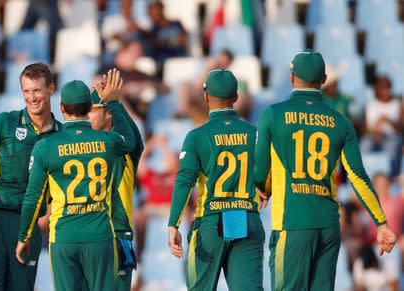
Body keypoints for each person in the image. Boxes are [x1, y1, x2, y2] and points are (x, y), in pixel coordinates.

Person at [254, 49, 397, 291]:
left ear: (291, 77)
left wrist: (263, 188)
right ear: (323, 80)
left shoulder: (272, 115)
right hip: (329, 226)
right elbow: (359, 178)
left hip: (292, 223)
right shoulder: (341, 122)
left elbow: (259, 172)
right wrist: (381, 223)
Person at [16, 70, 135, 291]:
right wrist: (114, 103)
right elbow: (130, 141)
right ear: (90, 109)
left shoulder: (46, 146)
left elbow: (32, 198)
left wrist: (24, 235)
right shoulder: (108, 141)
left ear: (61, 108)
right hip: (100, 235)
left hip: (63, 236)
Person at [0, 62, 62, 291]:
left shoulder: (61, 135)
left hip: (29, 227)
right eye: (26, 91)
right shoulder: (5, 122)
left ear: (51, 89)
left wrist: (47, 217)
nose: (32, 97)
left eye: (37, 90)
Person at [168, 69, 264, 290]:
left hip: (211, 221)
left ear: (206, 97)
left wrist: (174, 223)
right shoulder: (255, 133)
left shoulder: (197, 136)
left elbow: (184, 181)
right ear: (237, 98)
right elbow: (270, 172)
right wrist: (265, 189)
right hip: (247, 218)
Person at [86, 84, 144, 290]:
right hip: (89, 234)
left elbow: (136, 141)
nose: (86, 116)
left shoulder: (124, 148)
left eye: (91, 110)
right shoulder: (82, 145)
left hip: (117, 233)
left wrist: (115, 101)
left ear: (108, 114)